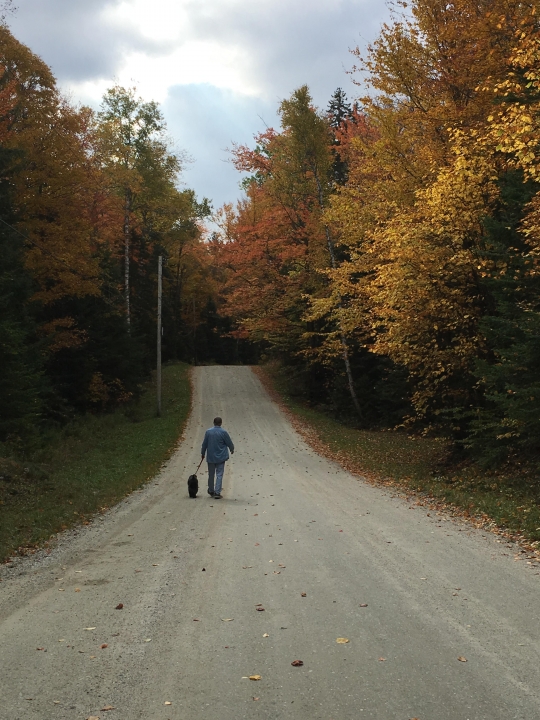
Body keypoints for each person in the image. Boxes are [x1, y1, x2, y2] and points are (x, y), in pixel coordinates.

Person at [201, 417, 234, 499]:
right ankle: (217, 492)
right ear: (221, 423)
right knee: (219, 474)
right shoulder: (223, 432)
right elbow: (229, 442)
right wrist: (232, 449)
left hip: (211, 457)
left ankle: (211, 490)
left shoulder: (208, 432)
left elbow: (204, 443)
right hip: (221, 457)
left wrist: (203, 453)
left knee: (211, 474)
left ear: (213, 422)